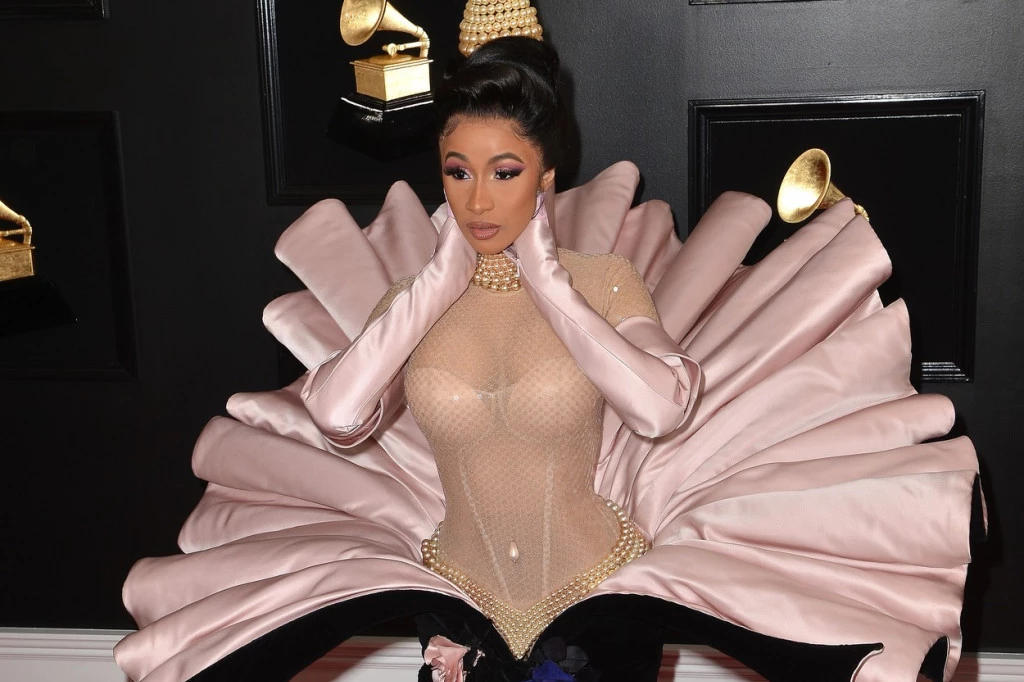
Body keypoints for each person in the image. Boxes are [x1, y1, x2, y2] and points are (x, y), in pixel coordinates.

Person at [114, 37, 982, 682]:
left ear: (546, 176)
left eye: (504, 172)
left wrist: (553, 285)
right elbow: (338, 416)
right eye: (457, 171)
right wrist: (436, 283)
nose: (477, 198)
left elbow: (659, 408)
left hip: (603, 605)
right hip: (456, 610)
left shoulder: (605, 282)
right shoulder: (413, 299)